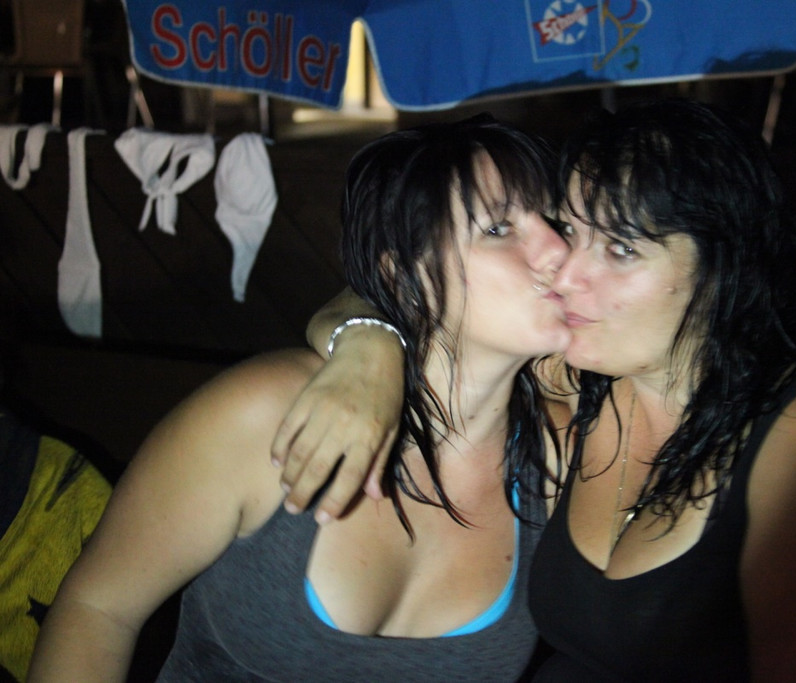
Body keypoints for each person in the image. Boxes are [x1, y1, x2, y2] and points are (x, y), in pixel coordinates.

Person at [272, 98, 796, 681]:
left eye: (623, 248)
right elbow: (399, 287)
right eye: (571, 230)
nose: (565, 270)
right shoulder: (587, 376)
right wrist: (367, 347)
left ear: (726, 264)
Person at [28, 114, 573, 682]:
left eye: (554, 220)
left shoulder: (559, 457)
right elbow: (98, 610)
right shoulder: (264, 413)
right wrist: (367, 337)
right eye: (498, 228)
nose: (557, 247)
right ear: (406, 277)